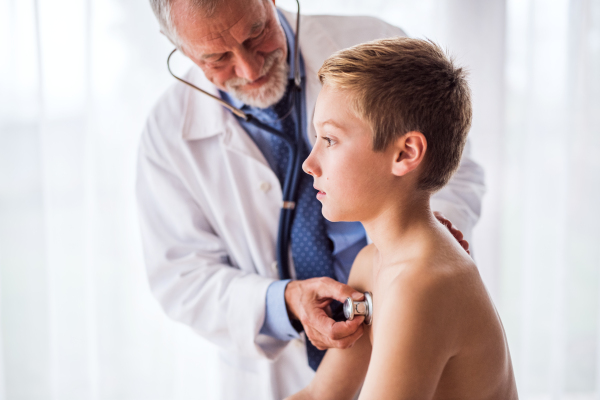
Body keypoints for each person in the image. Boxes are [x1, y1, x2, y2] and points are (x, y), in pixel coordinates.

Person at [137, 0, 485, 398]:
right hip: (278, 371)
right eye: (217, 58)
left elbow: (453, 164)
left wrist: (425, 241)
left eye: (256, 34)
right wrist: (284, 302)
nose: (249, 69)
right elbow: (182, 275)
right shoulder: (371, 264)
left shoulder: (417, 285)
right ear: (182, 50)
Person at [288, 37, 517, 399]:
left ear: (405, 153)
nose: (309, 163)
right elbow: (320, 396)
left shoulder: (424, 284)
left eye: (329, 140)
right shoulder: (372, 263)